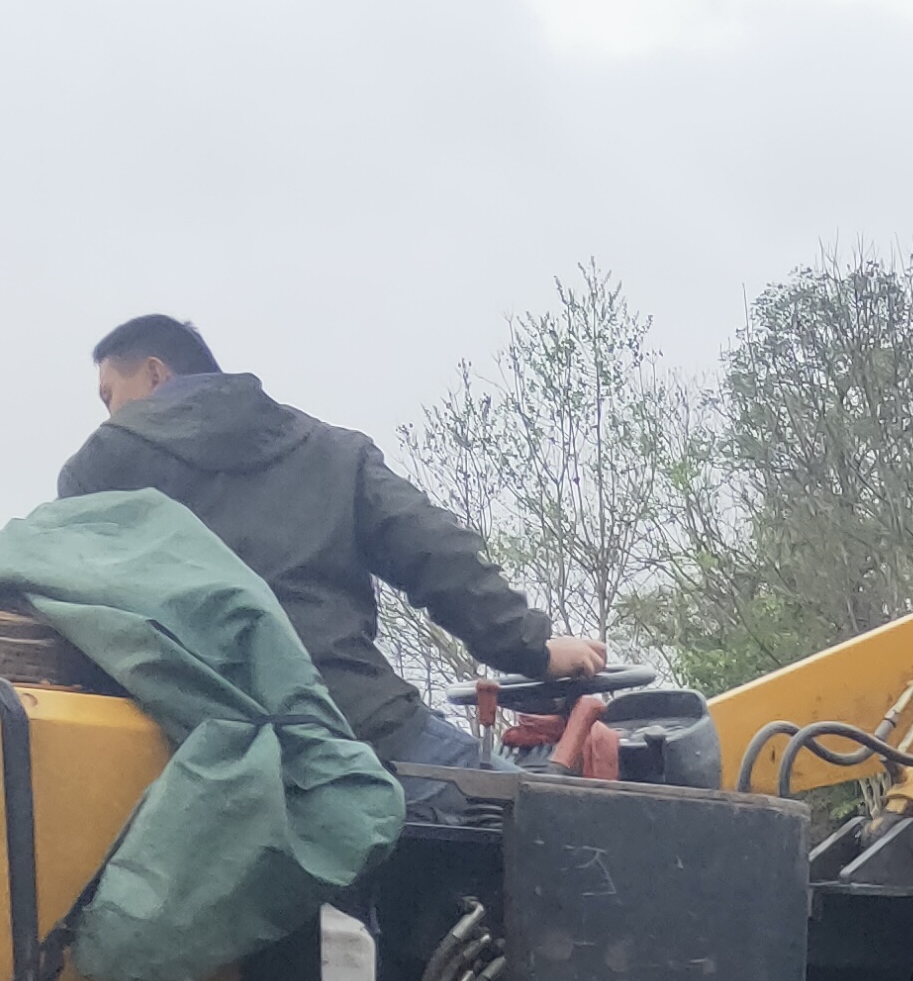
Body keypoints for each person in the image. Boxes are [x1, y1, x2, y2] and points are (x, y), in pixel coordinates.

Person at [58, 315, 605, 809]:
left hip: (194, 759)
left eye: (110, 395)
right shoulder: (330, 451)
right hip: (358, 731)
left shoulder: (97, 471)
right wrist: (532, 648)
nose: (108, 415)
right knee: (559, 837)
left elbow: (69, 606)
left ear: (155, 375)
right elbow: (436, 552)